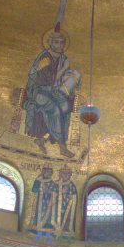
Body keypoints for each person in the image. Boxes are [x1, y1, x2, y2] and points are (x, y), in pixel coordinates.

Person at [23, 28, 80, 158]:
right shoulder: (45, 58)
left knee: (66, 107)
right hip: (39, 92)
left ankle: (44, 139)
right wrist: (65, 68)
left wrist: (70, 76)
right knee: (55, 110)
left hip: (54, 92)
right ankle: (62, 146)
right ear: (50, 43)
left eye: (62, 43)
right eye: (56, 42)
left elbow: (62, 80)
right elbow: (48, 80)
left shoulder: (62, 58)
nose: (60, 45)